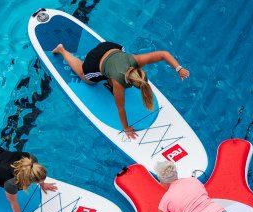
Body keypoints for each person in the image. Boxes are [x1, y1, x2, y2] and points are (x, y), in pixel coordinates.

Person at [49, 39, 188, 140]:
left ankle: (107, 71)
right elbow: (120, 108)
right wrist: (126, 128)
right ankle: (62, 50)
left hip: (109, 46)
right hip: (95, 60)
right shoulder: (118, 83)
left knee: (113, 68)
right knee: (87, 79)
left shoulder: (137, 59)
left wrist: (179, 68)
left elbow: (163, 54)